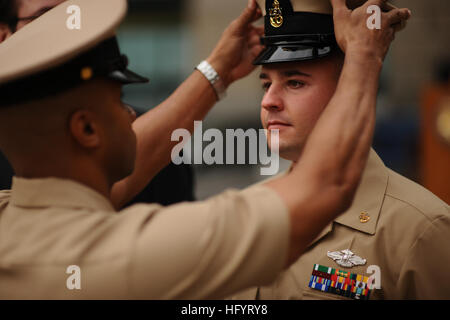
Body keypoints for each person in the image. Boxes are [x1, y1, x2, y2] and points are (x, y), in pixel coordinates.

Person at [0, 0, 407, 299]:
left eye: (295, 81)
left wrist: (218, 72)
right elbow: (324, 186)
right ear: (86, 129)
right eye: (117, 98)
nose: (131, 113)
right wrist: (364, 56)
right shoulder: (127, 254)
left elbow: (121, 170)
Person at [230, 0, 450, 300]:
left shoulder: (420, 230)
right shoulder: (245, 211)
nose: (269, 100)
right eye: (266, 84)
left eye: (294, 82)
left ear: (348, 87)